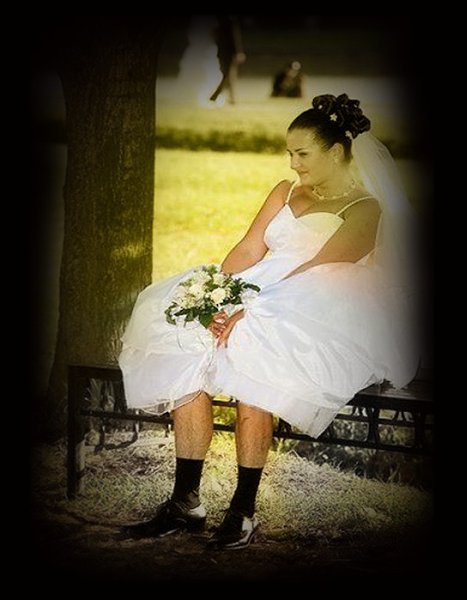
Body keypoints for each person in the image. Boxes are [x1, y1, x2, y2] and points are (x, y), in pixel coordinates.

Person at [119, 93, 419, 550]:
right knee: (187, 339)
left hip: (315, 304)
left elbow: (318, 270)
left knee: (253, 353)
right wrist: (216, 295)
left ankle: (242, 510)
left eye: (303, 154)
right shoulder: (285, 190)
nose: (293, 164)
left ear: (337, 152)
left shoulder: (365, 208)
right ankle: (185, 502)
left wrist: (251, 309)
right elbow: (248, 248)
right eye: (289, 153)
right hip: (259, 288)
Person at [209, 15, 245, 104]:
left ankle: (232, 98)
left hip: (222, 51)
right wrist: (238, 51)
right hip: (227, 52)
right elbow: (234, 37)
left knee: (229, 75)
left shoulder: (219, 21)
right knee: (227, 75)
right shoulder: (229, 21)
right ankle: (215, 96)